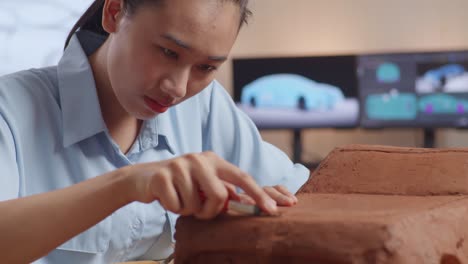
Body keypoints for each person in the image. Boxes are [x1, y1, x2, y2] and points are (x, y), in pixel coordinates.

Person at [0, 0, 310, 263]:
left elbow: (297, 194)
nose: (177, 88)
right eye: (168, 52)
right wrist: (129, 183)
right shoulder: (10, 109)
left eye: (206, 68)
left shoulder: (205, 104)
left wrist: (255, 210)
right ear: (114, 12)